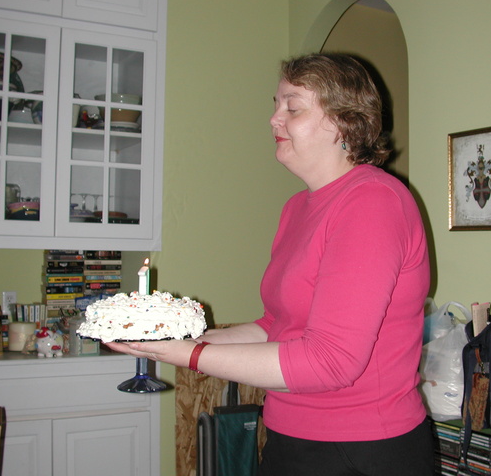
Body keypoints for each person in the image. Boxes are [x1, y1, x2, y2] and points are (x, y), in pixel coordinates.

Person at [106, 53, 433, 475]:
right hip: (290, 435)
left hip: (364, 448)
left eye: (292, 108)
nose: (274, 119)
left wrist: (188, 354)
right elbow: (274, 326)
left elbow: (330, 363)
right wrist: (175, 340)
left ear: (344, 123)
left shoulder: (373, 202)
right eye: (276, 105)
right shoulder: (297, 208)